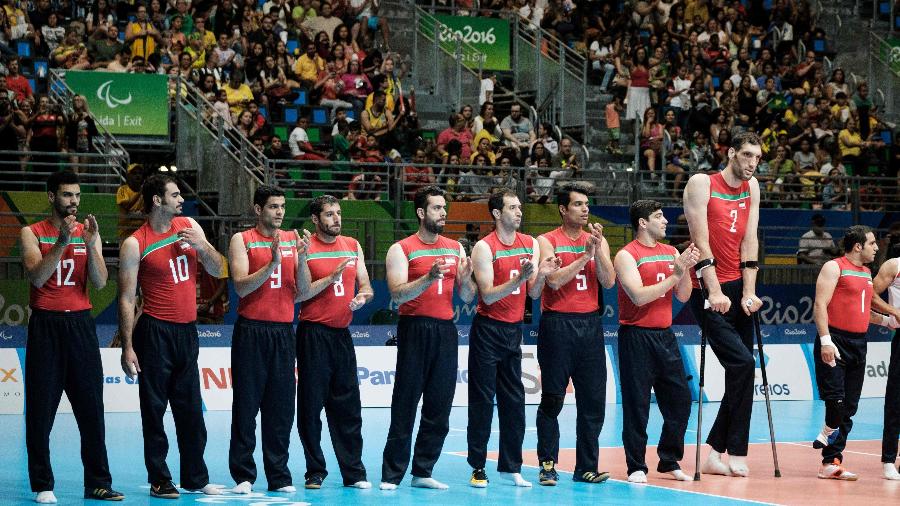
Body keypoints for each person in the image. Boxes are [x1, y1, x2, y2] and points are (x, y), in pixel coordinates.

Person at [118, 175, 226, 498]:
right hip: (154, 332)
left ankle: (195, 477)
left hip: (187, 331)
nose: (182, 199)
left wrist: (201, 244)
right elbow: (125, 298)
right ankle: (160, 479)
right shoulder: (135, 243)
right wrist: (127, 347)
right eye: (175, 195)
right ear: (156, 200)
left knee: (191, 410)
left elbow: (218, 267)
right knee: (154, 409)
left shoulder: (190, 225)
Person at [20, 171, 124, 504]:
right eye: (66, 195)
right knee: (41, 409)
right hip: (47, 326)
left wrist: (92, 244)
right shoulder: (31, 232)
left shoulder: (86, 232)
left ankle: (98, 482)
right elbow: (37, 278)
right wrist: (63, 243)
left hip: (80, 326)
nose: (73, 202)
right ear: (52, 197)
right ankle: (42, 484)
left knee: (92, 408)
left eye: (77, 196)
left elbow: (100, 282)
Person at [380, 186, 476, 490]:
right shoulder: (401, 248)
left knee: (439, 403)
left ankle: (423, 471)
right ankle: (391, 474)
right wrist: (428, 277)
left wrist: (468, 277)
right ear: (422, 213)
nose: (443, 212)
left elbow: (467, 295)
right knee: (405, 401)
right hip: (414, 328)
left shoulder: (456, 248)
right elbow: (397, 293)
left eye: (444, 207)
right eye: (437, 208)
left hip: (446, 330)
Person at [467, 189, 561, 489]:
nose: (519, 212)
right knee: (482, 401)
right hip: (487, 330)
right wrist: (519, 279)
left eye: (520, 207)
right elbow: (489, 296)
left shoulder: (530, 244)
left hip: (513, 331)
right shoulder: (484, 248)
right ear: (496, 214)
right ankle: (478, 467)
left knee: (514, 401)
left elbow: (533, 294)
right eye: (512, 208)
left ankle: (511, 467)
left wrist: (542, 275)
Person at [683, 130, 763, 477]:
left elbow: (750, 240)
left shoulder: (753, 187)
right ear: (731, 153)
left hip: (736, 287)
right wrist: (713, 290)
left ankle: (716, 452)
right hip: (706, 287)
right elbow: (700, 240)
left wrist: (749, 291)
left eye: (757, 158)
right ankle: (737, 453)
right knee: (743, 364)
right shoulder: (702, 183)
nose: (752, 163)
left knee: (742, 370)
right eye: (746, 155)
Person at [614, 200, 700, 484]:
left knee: (681, 399)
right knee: (637, 404)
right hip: (635, 336)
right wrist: (675, 274)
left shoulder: (671, 251)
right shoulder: (627, 255)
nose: (665, 221)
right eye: (659, 216)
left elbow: (684, 296)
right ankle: (636, 466)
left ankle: (669, 459)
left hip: (665, 336)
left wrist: (686, 269)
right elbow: (638, 296)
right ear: (642, 222)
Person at [535, 182, 616, 486]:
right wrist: (583, 257)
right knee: (553, 398)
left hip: (590, 327)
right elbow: (553, 281)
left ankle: (586, 467)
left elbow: (608, 283)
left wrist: (598, 251)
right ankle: (547, 464)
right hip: (557, 325)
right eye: (578, 204)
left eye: (586, 204)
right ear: (563, 209)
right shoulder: (546, 241)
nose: (585, 209)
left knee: (593, 400)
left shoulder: (596, 240)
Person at [227, 186, 305, 495]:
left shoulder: (292, 239)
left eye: (283, 206)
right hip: (252, 332)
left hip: (284, 333)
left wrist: (305, 258)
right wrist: (272, 264)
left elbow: (300, 290)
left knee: (282, 408)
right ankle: (243, 475)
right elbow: (241, 287)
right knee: (246, 406)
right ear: (258, 209)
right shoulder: (241, 240)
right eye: (273, 206)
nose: (280, 212)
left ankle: (279, 475)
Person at [296, 195, 374, 490]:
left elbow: (366, 285)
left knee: (349, 407)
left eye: (338, 213)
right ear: (315, 220)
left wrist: (362, 297)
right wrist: (330, 277)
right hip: (313, 334)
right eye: (329, 214)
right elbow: (299, 294)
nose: (336, 219)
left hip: (342, 336)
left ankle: (353, 472)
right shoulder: (305, 249)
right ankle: (314, 470)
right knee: (311, 406)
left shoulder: (353, 246)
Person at [812, 226, 899, 480]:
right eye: (872, 244)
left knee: (849, 407)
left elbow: (863, 311)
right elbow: (820, 305)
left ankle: (832, 460)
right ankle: (827, 431)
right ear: (858, 246)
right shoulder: (833, 267)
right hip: (835, 341)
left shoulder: (866, 273)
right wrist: (826, 341)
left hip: (859, 343)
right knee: (837, 401)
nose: (876, 247)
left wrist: (889, 321)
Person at [873, 253, 900, 480]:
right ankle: (889, 459)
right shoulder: (894, 265)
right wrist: (893, 312)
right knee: (895, 401)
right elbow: (869, 294)